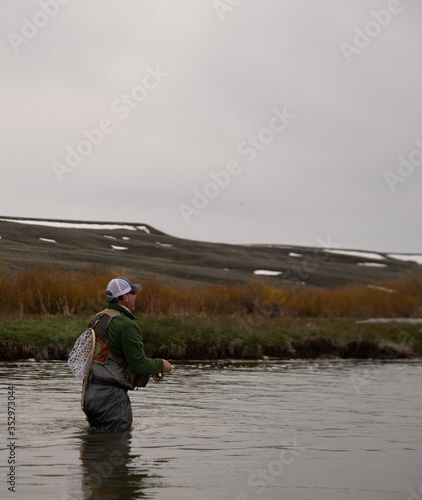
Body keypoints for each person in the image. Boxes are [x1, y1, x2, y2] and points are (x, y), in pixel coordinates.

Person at [82, 276, 173, 432]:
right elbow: (139, 365)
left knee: (95, 449)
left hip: (90, 395)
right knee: (118, 449)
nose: (135, 296)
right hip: (112, 401)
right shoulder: (126, 325)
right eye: (133, 293)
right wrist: (161, 364)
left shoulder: (96, 319)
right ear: (124, 298)